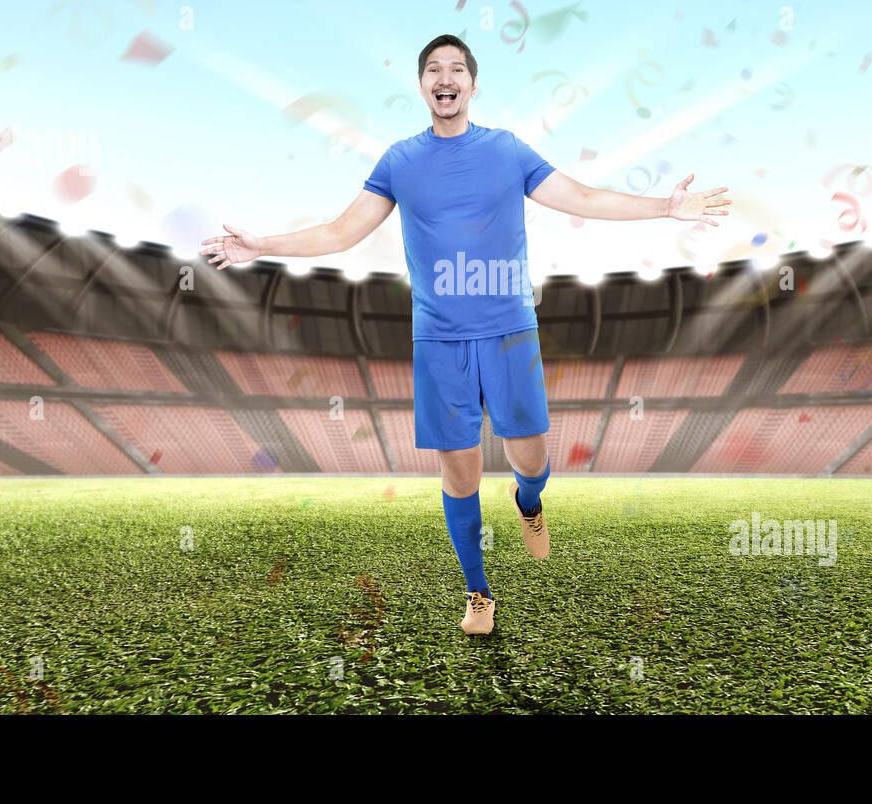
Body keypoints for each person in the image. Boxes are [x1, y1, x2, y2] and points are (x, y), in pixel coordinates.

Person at [202, 33, 730, 635]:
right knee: (460, 472)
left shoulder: (506, 150)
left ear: (473, 86)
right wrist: (259, 247)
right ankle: (479, 594)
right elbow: (341, 231)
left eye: (457, 69)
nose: (445, 77)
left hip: (509, 332)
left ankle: (529, 502)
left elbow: (580, 196)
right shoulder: (399, 161)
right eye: (433, 69)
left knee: (529, 458)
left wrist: (667, 207)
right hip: (438, 341)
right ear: (423, 85)